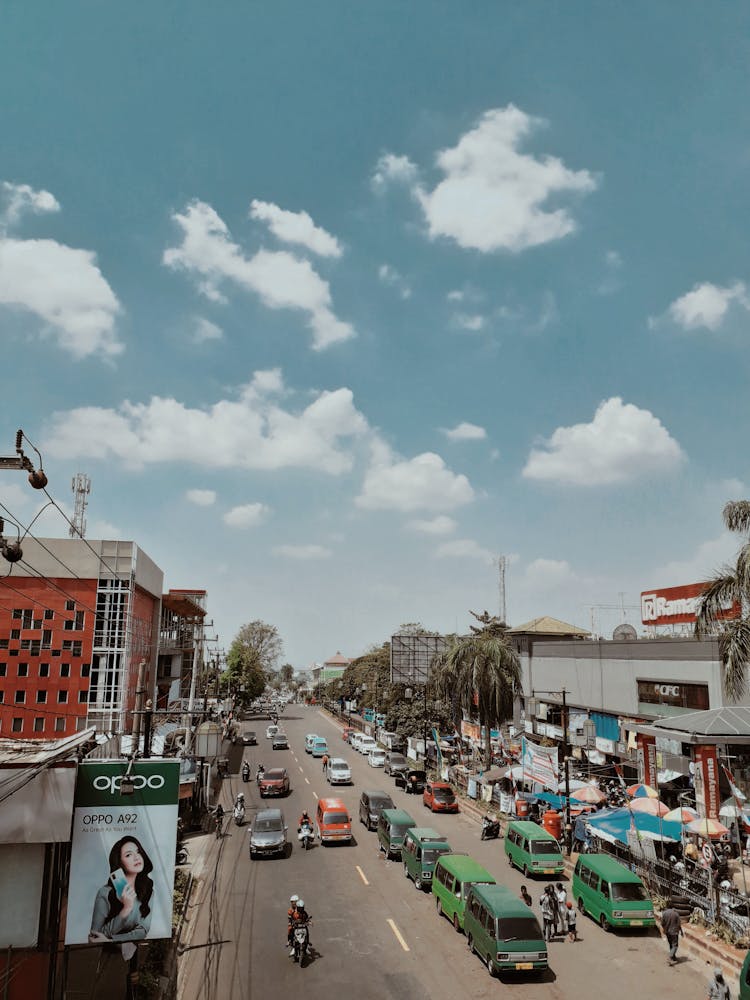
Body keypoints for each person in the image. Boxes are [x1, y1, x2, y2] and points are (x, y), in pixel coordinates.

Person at [89, 836, 154, 943]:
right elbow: (94, 937)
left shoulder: (148, 890)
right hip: (111, 957)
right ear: (119, 862)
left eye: (138, 852)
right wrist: (126, 909)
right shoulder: (105, 893)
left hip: (136, 954)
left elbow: (142, 931)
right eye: (128, 855)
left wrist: (112, 940)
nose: (136, 857)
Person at [661, 900, 683, 966]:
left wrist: (665, 928)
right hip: (674, 932)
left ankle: (673, 957)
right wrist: (681, 932)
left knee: (671, 944)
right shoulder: (676, 914)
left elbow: (662, 923)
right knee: (675, 945)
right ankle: (670, 956)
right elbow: (679, 924)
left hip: (667, 932)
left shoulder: (664, 913)